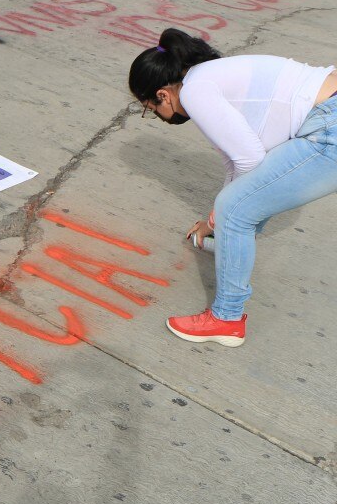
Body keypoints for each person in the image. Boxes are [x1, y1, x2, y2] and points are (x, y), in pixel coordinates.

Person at [129, 28, 337, 347]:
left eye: (149, 109)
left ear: (162, 95)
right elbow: (237, 161)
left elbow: (250, 159)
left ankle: (226, 319)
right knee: (235, 204)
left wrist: (220, 216)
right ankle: (231, 244)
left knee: (235, 209)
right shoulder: (204, 78)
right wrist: (216, 223)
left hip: (330, 128)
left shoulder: (194, 93)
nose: (155, 115)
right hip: (327, 113)